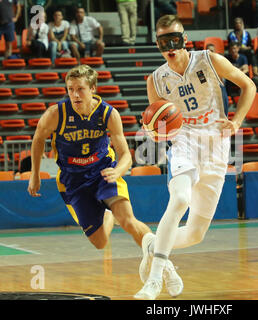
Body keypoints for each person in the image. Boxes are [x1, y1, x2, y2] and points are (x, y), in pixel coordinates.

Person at [27, 64, 182, 294]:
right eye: (70, 89)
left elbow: (126, 156)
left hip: (103, 172)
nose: (75, 94)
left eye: (80, 89)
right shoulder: (56, 113)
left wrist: (118, 171)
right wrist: (34, 174)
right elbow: (38, 138)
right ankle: (107, 213)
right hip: (72, 181)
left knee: (128, 220)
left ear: (92, 88)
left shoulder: (108, 113)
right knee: (99, 243)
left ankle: (162, 267)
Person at [134, 14, 256, 300]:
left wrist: (237, 121)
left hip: (216, 145)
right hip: (184, 142)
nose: (170, 47)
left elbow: (249, 85)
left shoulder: (210, 60)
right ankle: (153, 281)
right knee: (179, 200)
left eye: (174, 40)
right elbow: (159, 124)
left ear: (185, 39)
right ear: (157, 45)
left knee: (196, 233)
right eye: (163, 42)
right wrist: (153, 133)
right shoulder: (155, 80)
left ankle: (152, 246)